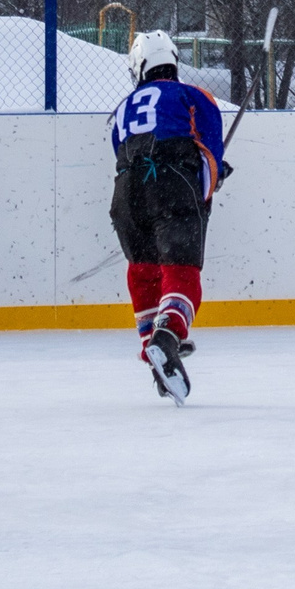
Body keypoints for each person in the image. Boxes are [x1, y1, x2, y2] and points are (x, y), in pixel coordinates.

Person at [107, 31, 226, 404]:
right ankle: (168, 335)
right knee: (181, 271)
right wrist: (208, 186)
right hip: (172, 184)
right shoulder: (192, 95)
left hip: (126, 194)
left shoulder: (123, 108)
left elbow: (121, 151)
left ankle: (155, 355)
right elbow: (210, 156)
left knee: (143, 270)